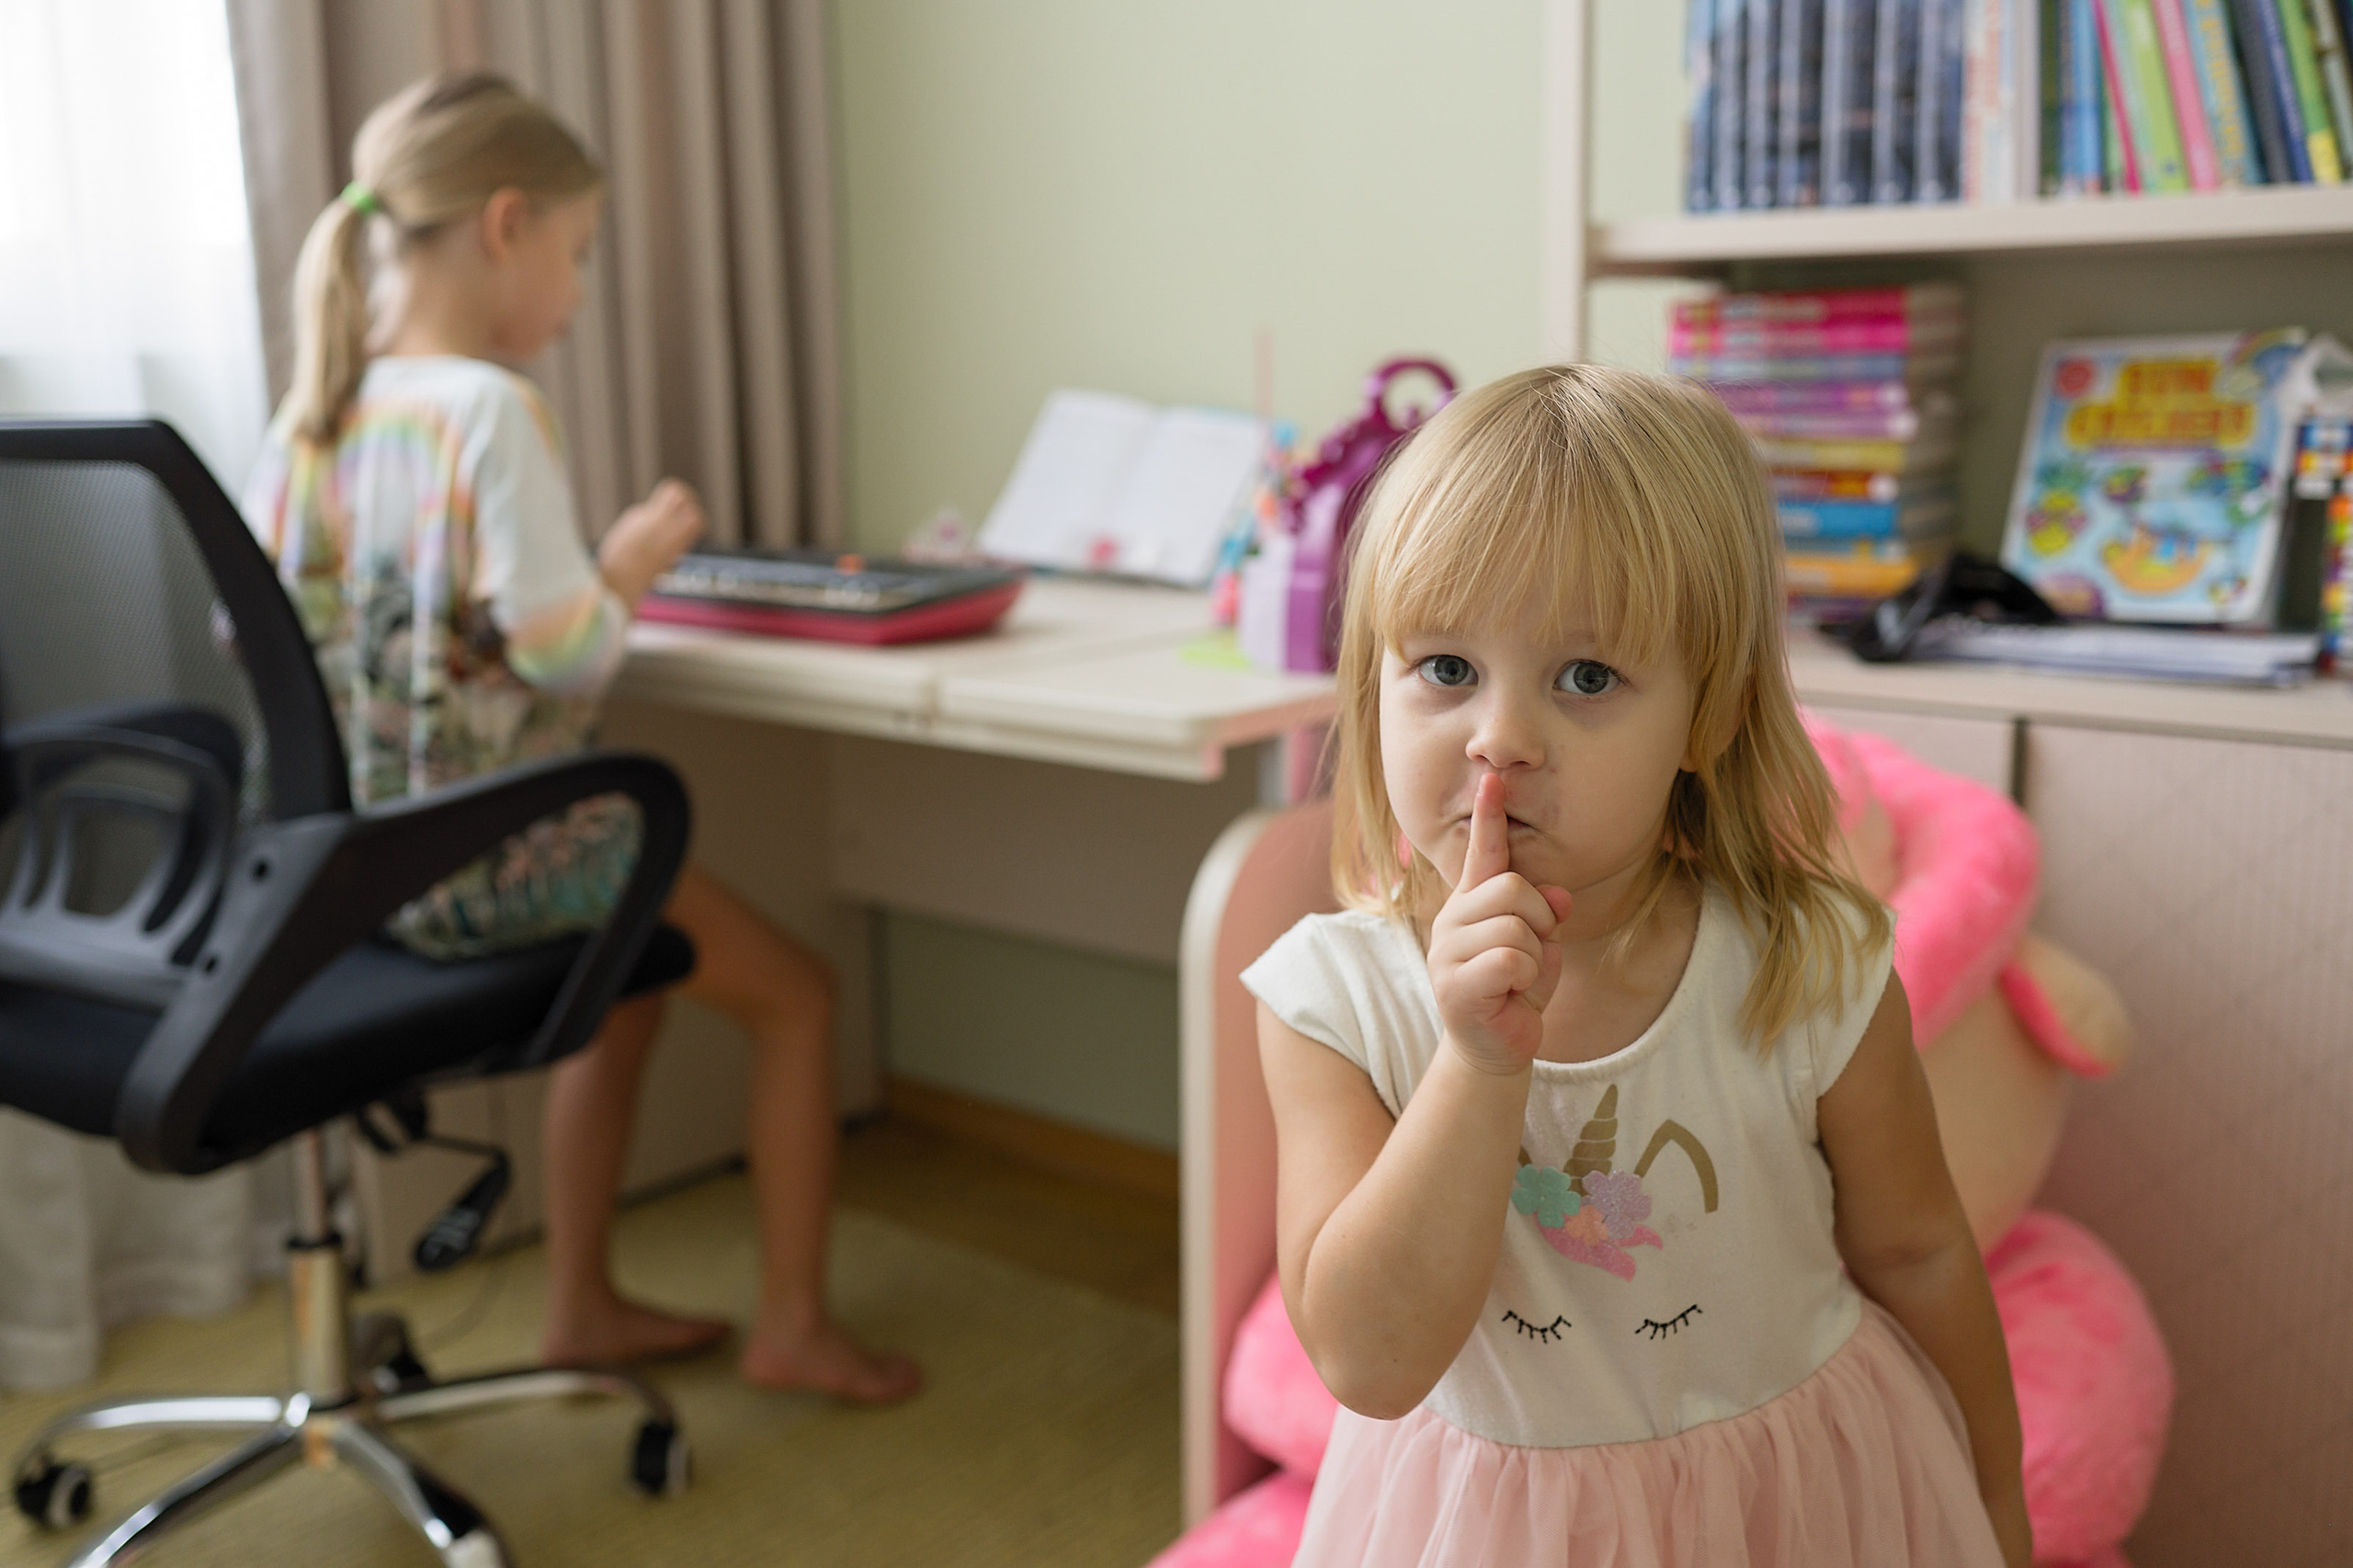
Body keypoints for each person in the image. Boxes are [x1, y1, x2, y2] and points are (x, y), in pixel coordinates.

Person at [1244, 364, 2029, 1566]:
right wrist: (1474, 1061)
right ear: (1372, 688)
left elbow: (1921, 1249)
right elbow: (1369, 1360)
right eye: (1446, 669)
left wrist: (1999, 1497)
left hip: (1796, 1501)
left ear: (1705, 718)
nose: (1500, 735)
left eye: (1587, 677)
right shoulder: (1332, 1003)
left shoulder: (1809, 966)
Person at [241, 73, 919, 1404]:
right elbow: (568, 648)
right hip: (489, 866)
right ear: (508, 225)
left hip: (347, 873)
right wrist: (627, 560)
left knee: (642, 978)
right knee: (800, 995)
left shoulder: (313, 416)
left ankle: (581, 1303)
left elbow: (274, 649)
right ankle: (790, 1325)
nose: (581, 291)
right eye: (580, 252)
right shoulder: (488, 407)